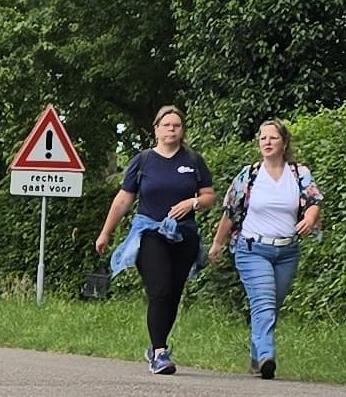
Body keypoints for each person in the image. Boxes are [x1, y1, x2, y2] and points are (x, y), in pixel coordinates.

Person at [93, 106, 216, 374]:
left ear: (182, 130)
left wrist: (192, 202)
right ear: (156, 129)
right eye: (167, 125)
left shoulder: (193, 160)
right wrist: (106, 232)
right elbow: (124, 198)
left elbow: (209, 196)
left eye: (177, 125)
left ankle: (155, 346)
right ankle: (160, 353)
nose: (172, 129)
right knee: (159, 289)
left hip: (184, 235)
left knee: (172, 293)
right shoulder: (144, 160)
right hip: (150, 233)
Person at [215, 118, 321, 379]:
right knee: (263, 302)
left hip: (287, 252)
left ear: (284, 143)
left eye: (273, 138)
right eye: (263, 138)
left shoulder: (299, 173)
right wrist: (218, 243)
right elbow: (230, 212)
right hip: (252, 249)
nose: (267, 142)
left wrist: (309, 218)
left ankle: (255, 355)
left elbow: (313, 200)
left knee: (271, 305)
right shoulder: (249, 175)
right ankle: (266, 356)